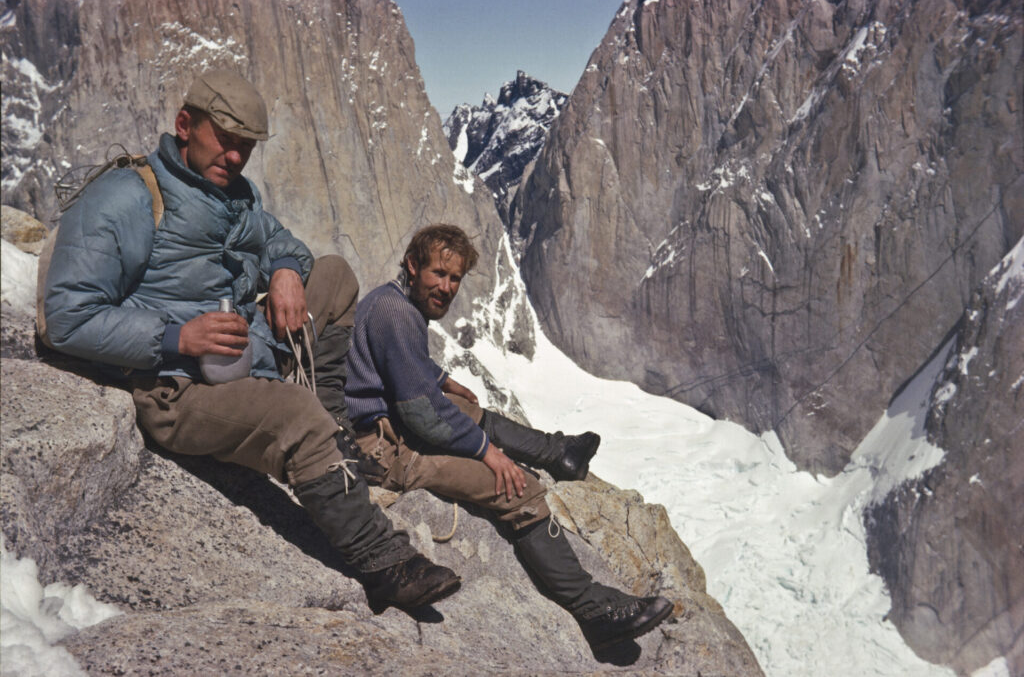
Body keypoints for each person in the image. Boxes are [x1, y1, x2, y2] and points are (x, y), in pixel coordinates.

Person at [42, 69, 460, 611]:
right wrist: (176, 338)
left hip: (243, 353)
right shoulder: (125, 198)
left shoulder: (232, 194)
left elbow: (280, 241)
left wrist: (285, 269)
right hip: (177, 388)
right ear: (185, 125)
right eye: (226, 140)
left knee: (334, 275)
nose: (236, 156)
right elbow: (69, 316)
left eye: (246, 146)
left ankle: (331, 432)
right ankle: (387, 566)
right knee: (294, 415)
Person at [344, 223, 674, 650]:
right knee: (517, 486)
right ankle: (593, 609)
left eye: (455, 278)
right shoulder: (397, 313)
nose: (446, 287)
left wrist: (441, 378)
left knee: (467, 411)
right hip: (383, 450)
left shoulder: (391, 302)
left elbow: (398, 364)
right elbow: (423, 417)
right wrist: (491, 456)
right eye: (438, 274)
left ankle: (559, 453)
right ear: (412, 265)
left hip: (385, 425)